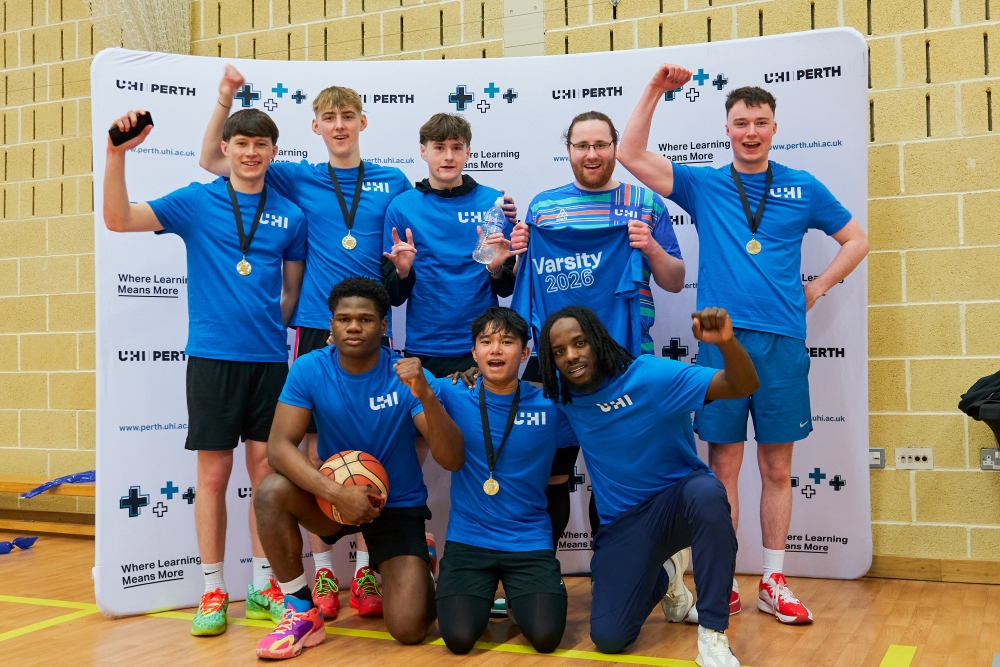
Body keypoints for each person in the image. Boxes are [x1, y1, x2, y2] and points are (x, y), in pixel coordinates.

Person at [617, 64, 870, 624]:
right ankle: (723, 579)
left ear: (774, 128)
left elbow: (856, 239)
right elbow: (630, 154)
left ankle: (774, 581)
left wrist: (818, 286)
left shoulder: (802, 186)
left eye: (760, 122)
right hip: (720, 345)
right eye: (740, 123)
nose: (750, 132)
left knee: (777, 468)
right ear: (727, 129)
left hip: (782, 343)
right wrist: (654, 89)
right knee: (723, 469)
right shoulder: (704, 185)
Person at [200, 65, 413, 617]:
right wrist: (225, 99)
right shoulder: (296, 177)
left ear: (363, 122)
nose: (339, 125)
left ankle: (365, 571)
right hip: (318, 328)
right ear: (315, 127)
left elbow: (418, 235)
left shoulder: (393, 181)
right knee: (314, 452)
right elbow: (214, 162)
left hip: (374, 325)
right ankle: (321, 572)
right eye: (329, 117)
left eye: (348, 116)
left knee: (371, 446)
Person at [103, 108, 307, 635]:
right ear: (225, 148)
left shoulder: (291, 215)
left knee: (266, 476)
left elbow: (291, 293)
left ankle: (263, 585)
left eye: (261, 144)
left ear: (273, 152)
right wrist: (116, 155)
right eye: (241, 143)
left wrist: (264, 329)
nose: (251, 153)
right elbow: (118, 219)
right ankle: (212, 589)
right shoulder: (196, 201)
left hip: (269, 362)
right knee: (214, 477)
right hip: (212, 360)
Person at [508, 110, 687, 599]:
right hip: (557, 368)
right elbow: (521, 285)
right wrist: (519, 252)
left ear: (614, 147)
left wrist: (650, 248)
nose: (592, 154)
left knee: (623, 481)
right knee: (551, 474)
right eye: (582, 145)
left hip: (624, 363)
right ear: (568, 149)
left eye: (601, 145)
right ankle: (538, 580)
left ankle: (631, 579)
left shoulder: (644, 203)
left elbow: (674, 280)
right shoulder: (543, 209)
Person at [252, 277, 465, 659]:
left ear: (383, 326)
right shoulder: (309, 368)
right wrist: (335, 492)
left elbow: (452, 459)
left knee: (409, 629)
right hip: (333, 499)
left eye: (365, 319)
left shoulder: (406, 375)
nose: (353, 327)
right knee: (271, 491)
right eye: (344, 319)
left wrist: (426, 394)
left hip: (396, 505)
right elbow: (279, 448)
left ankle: (421, 561)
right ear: (331, 324)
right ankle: (301, 611)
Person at [538, 306, 758, 667]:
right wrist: (467, 378)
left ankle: (713, 635)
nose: (571, 356)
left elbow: (742, 385)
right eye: (559, 351)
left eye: (579, 343)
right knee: (609, 637)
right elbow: (511, 401)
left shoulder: (651, 376)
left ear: (598, 341)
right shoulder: (565, 401)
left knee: (707, 492)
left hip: (677, 504)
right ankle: (668, 575)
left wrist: (727, 343)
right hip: (623, 524)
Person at [433, 307, 573, 654]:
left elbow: (604, 414)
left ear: (525, 353)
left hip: (528, 540)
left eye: (507, 342)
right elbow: (393, 375)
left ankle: (517, 594)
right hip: (468, 540)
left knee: (546, 638)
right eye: (486, 342)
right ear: (474, 352)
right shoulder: (451, 391)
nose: (495, 349)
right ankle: (429, 566)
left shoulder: (551, 405)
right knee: (459, 639)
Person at [382, 113, 521, 378]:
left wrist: (495, 269)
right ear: (423, 151)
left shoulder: (494, 203)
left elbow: (506, 288)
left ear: (468, 152)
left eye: (456, 148)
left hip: (483, 345)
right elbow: (393, 298)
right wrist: (402, 272)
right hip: (424, 347)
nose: (448, 157)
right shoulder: (401, 207)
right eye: (439, 147)